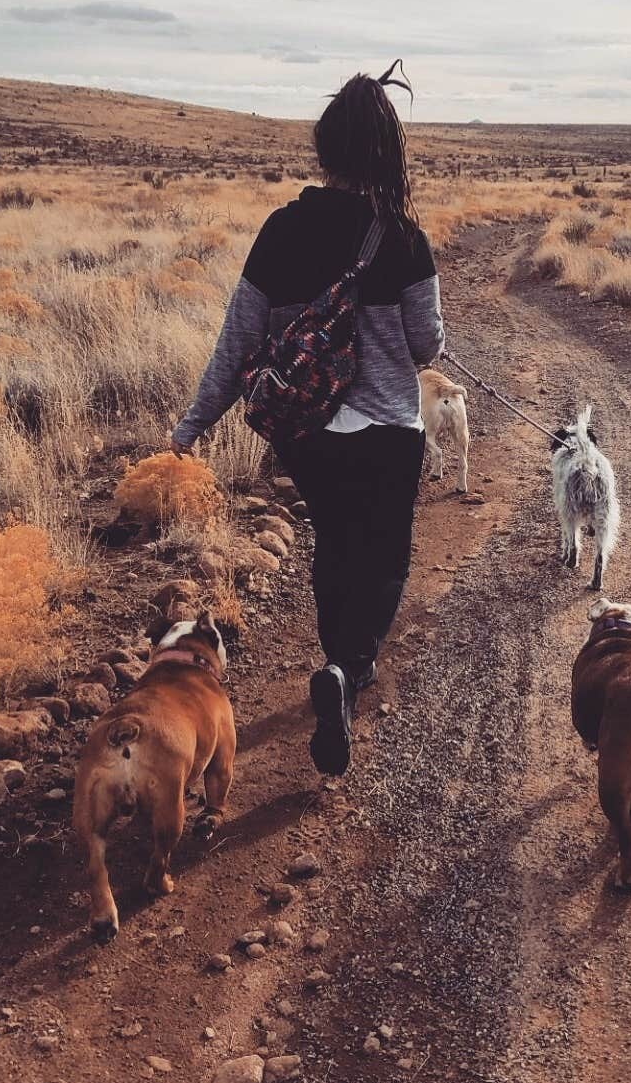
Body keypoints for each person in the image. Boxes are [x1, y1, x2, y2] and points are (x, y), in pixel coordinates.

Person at [170, 65, 445, 776]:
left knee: (334, 544)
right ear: (387, 150)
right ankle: (349, 670)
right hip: (386, 426)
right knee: (384, 556)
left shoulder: (280, 230)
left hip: (308, 432)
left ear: (324, 151)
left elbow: (237, 341)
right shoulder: (405, 238)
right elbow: (427, 345)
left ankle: (335, 660)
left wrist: (192, 424)